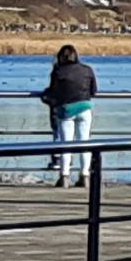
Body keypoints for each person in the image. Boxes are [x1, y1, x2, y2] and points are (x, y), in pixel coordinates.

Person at [41, 44, 98, 188]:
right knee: (84, 142)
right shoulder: (87, 70)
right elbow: (94, 91)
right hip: (85, 108)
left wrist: (46, 96)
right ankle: (85, 175)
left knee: (66, 144)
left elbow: (53, 91)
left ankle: (65, 176)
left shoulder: (58, 71)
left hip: (66, 109)